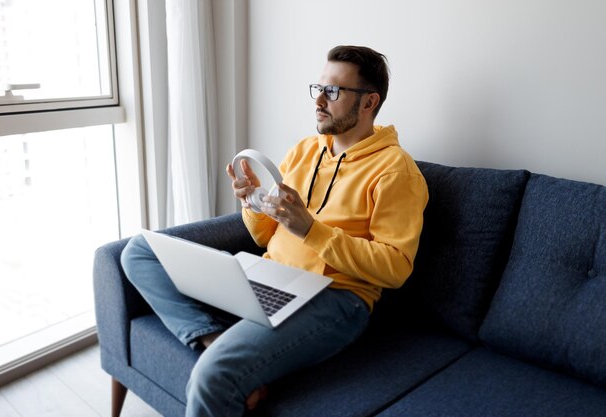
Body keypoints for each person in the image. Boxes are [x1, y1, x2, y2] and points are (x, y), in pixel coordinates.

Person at [121, 45, 428, 417]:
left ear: (368, 102)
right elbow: (266, 237)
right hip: (269, 276)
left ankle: (223, 357)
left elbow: (396, 269)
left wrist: (312, 231)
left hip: (337, 298)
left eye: (333, 92)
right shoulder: (304, 150)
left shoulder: (395, 171)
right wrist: (250, 202)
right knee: (138, 251)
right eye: (318, 88)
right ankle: (212, 337)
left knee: (212, 375)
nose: (319, 101)